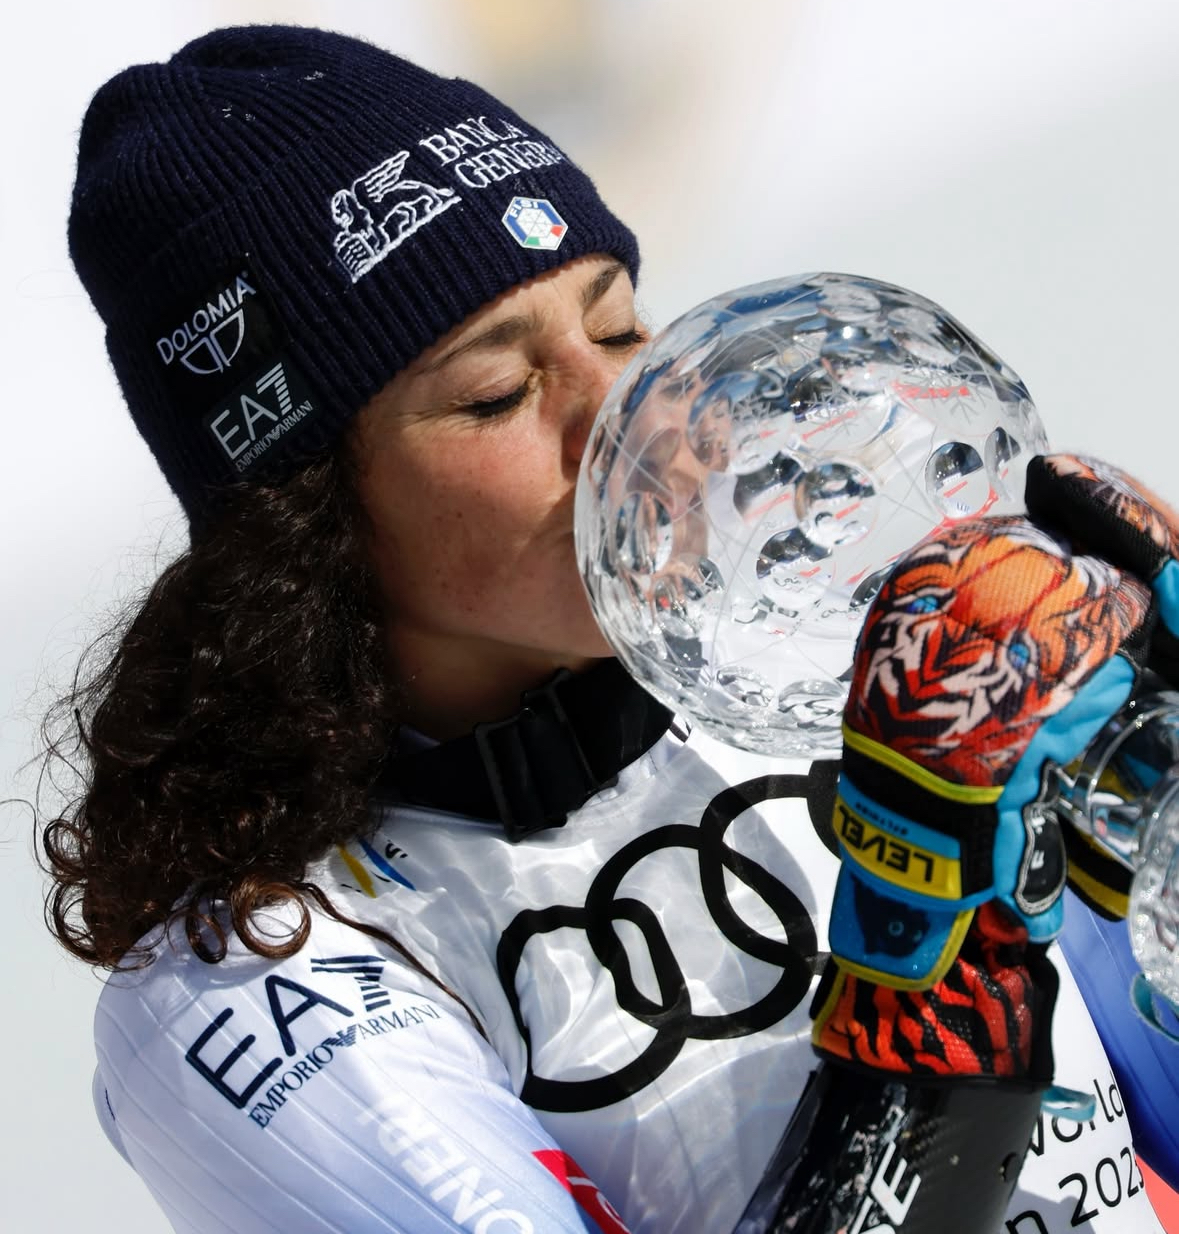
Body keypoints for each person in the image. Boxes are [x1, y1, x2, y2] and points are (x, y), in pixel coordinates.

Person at [44, 24, 1166, 1234]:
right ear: (303, 517)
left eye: (621, 325)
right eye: (498, 393)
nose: (625, 412)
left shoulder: (818, 662)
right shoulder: (256, 980)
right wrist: (929, 998)